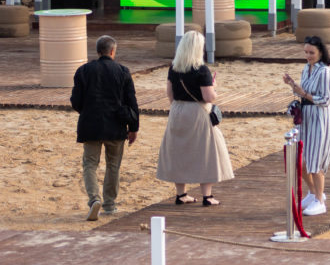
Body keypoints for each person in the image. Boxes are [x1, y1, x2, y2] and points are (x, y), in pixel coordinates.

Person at [157, 31, 233, 207]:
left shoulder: (174, 68)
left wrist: (179, 106)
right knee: (205, 152)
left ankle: (181, 194)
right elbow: (208, 97)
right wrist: (214, 86)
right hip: (197, 112)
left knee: (178, 151)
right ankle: (207, 196)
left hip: (177, 110)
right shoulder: (201, 69)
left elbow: (169, 93)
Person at [70, 35, 140, 221]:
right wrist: (134, 127)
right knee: (113, 165)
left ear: (97, 51)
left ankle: (94, 198)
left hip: (90, 124)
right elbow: (132, 102)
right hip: (116, 125)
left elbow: (75, 101)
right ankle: (109, 204)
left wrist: (87, 111)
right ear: (113, 51)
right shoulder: (123, 71)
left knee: (90, 164)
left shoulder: (83, 71)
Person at [283, 35, 330, 216]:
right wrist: (293, 85)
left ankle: (320, 201)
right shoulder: (307, 68)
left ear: (320, 52)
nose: (308, 56)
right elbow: (303, 92)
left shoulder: (325, 72)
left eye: (311, 52)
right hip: (305, 117)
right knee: (301, 160)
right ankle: (313, 193)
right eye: (306, 52)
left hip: (319, 118)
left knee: (315, 161)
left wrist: (303, 93)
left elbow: (326, 99)